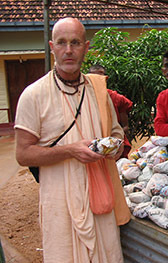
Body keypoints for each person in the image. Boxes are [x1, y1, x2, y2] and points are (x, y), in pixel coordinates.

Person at [14, 17, 130, 263]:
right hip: (60, 202)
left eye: (75, 43)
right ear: (51, 46)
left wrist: (113, 148)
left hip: (100, 197)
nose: (68, 50)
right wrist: (70, 151)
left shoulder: (98, 91)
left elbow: (117, 134)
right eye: (62, 43)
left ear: (86, 47)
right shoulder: (33, 95)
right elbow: (23, 154)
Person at [89, 64, 133, 158]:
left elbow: (125, 126)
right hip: (90, 147)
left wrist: (113, 141)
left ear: (106, 79)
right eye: (94, 78)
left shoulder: (116, 98)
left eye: (100, 77)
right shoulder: (82, 98)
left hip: (113, 147)